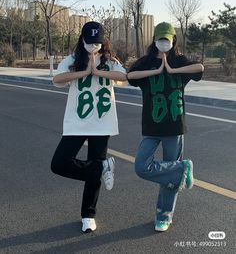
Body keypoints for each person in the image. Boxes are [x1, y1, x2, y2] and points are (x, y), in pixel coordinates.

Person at [127, 22, 204, 232]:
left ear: (173, 40)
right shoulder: (145, 62)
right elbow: (130, 76)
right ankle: (183, 168)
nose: (163, 42)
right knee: (142, 166)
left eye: (167, 39)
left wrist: (172, 69)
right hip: (151, 126)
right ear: (154, 39)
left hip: (175, 126)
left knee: (169, 179)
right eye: (160, 39)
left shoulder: (180, 61)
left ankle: (164, 215)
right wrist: (156, 71)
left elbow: (200, 68)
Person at [51, 21, 127, 233]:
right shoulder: (73, 59)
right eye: (90, 42)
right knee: (59, 163)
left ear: (103, 41)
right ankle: (101, 167)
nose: (94, 46)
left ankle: (88, 215)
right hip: (77, 120)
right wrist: (84, 72)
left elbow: (124, 77)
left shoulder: (110, 61)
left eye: (97, 42)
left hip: (102, 121)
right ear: (82, 40)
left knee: (94, 166)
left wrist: (98, 72)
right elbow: (57, 80)